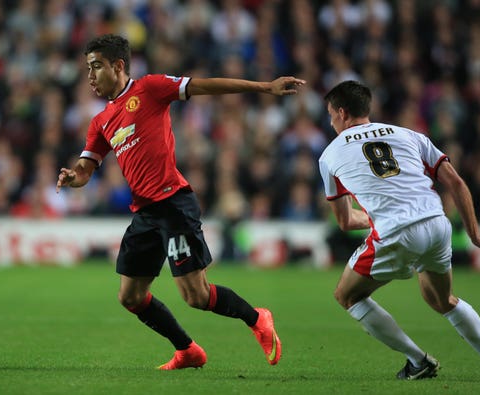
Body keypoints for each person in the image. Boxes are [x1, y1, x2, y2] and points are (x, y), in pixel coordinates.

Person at [56, 34, 305, 370]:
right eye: (88, 68)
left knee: (196, 296)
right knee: (130, 297)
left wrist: (264, 88)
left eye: (96, 66)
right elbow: (86, 168)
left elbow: (205, 86)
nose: (90, 75)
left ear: (118, 66)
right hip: (144, 212)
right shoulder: (100, 122)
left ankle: (257, 318)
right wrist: (75, 178)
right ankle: (187, 350)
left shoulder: (150, 88)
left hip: (173, 204)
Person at [318, 80, 480, 383]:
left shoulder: (329, 155)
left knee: (347, 296)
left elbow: (345, 221)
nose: (331, 121)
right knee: (442, 300)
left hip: (396, 232)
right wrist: (475, 235)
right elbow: (456, 183)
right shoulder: (409, 134)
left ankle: (418, 361)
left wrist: (376, 217)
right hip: (437, 224)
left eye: (331, 115)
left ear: (343, 113)